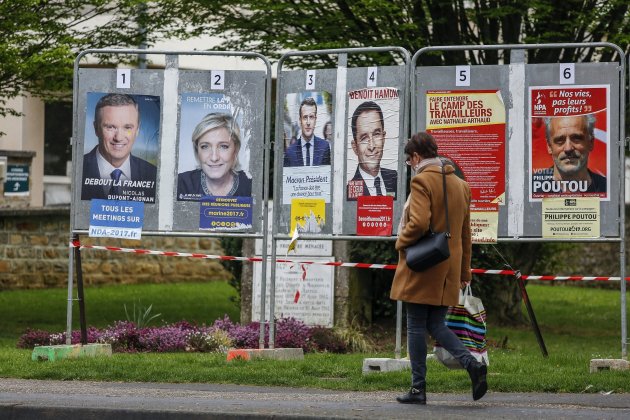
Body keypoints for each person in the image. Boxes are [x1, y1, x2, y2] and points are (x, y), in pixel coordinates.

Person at [390, 132, 487, 405]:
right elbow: (466, 234)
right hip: (449, 267)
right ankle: (472, 364)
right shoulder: (461, 184)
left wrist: (401, 241)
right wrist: (464, 272)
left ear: (417, 157)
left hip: (424, 264)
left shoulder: (422, 180)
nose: (411, 165)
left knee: (416, 324)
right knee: (435, 323)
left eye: (410, 161)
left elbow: (419, 223)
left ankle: (417, 389)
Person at [81, 93, 157, 201]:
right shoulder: (79, 169)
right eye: (110, 127)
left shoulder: (153, 174)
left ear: (137, 130)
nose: (119, 137)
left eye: (127, 127)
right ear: (96, 128)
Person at [177, 112, 252, 200]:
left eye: (223, 146)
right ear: (197, 151)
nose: (214, 158)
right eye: (205, 147)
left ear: (236, 149)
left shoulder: (250, 185)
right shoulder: (181, 183)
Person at [533, 114, 606, 194]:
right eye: (560, 140)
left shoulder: (608, 190)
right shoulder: (529, 189)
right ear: (549, 146)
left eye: (576, 138)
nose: (568, 148)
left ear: (591, 143)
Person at [346, 101, 397, 200]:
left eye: (376, 134)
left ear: (384, 137)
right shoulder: (348, 193)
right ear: (355, 147)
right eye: (364, 138)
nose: (372, 146)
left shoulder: (396, 178)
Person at [283, 97, 331, 167]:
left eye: (311, 117)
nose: (308, 122)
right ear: (300, 120)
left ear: (315, 120)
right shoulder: (290, 152)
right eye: (305, 117)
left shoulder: (324, 147)